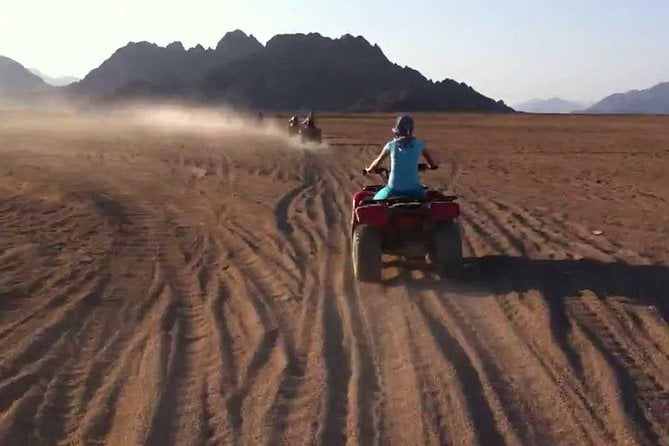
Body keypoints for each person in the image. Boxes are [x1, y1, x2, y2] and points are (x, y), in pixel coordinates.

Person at [365, 115, 438, 200]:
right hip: (414, 191)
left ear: (397, 130)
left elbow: (376, 164)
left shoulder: (391, 145)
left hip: (394, 190)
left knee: (375, 199)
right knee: (426, 200)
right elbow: (432, 164)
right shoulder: (419, 144)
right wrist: (429, 167)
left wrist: (369, 170)